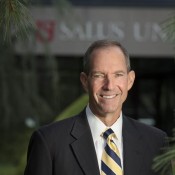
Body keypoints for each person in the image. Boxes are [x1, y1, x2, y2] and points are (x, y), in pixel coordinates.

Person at [24, 39, 167, 175]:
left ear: (130, 80)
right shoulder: (49, 142)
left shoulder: (156, 142)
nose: (109, 86)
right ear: (85, 81)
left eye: (118, 75)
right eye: (99, 75)